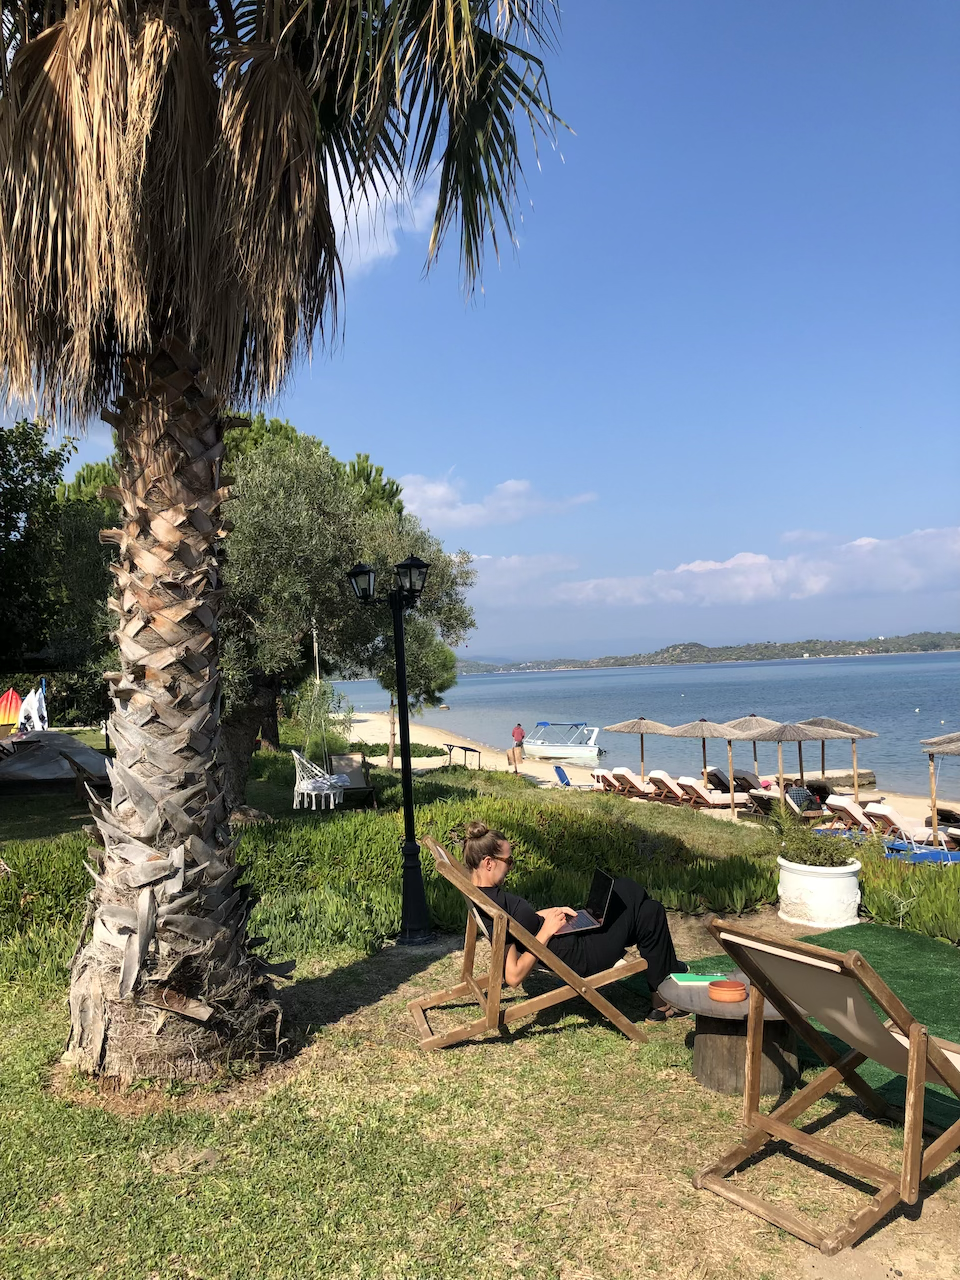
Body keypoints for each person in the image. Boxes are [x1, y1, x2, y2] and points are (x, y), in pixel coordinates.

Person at [463, 820, 688, 1022]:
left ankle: (661, 997)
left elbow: (520, 924)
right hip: (581, 956)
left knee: (638, 904)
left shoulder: (483, 895)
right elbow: (513, 976)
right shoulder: (493, 912)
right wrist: (547, 931)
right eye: (508, 861)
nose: (511, 866)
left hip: (568, 938)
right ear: (489, 863)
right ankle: (664, 978)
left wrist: (548, 913)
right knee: (645, 904)